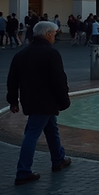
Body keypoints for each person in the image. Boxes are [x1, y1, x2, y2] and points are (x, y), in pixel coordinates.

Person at [6, 21, 72, 185]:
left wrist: (13, 100)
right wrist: (64, 100)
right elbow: (59, 80)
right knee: (32, 133)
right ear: (48, 34)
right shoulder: (51, 54)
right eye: (55, 34)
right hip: (46, 101)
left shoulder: (22, 54)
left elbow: (12, 80)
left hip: (30, 100)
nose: (55, 37)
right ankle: (23, 171)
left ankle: (58, 158)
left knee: (51, 128)